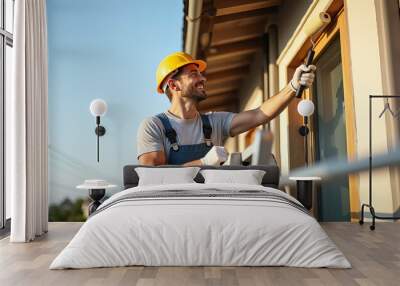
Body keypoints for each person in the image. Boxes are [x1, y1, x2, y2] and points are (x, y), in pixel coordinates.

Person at [137, 52, 316, 166]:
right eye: (194, 74)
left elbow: (259, 115)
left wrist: (292, 86)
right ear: (174, 85)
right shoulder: (154, 126)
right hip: (174, 212)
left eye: (201, 73)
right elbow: (153, 178)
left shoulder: (214, 122)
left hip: (215, 209)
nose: (203, 79)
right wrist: (203, 162)